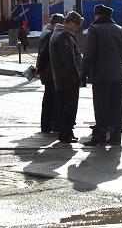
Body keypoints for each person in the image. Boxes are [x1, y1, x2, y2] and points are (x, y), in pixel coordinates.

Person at [81, 4, 122, 146]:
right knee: (117, 107)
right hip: (117, 76)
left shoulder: (94, 29)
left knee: (101, 107)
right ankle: (116, 136)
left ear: (98, 15)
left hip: (100, 77)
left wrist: (82, 75)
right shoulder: (119, 30)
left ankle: (100, 136)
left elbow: (88, 55)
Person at [49, 11, 84, 143]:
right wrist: (77, 77)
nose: (78, 28)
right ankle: (65, 134)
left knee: (65, 106)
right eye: (76, 25)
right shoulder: (64, 36)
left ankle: (67, 132)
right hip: (68, 79)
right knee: (69, 108)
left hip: (62, 77)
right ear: (69, 23)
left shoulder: (58, 33)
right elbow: (68, 60)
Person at [35, 13, 65, 133]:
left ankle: (47, 124)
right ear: (57, 23)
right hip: (50, 72)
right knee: (52, 100)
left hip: (47, 72)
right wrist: (40, 68)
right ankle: (50, 124)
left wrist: (39, 68)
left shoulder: (45, 32)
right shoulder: (50, 34)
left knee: (48, 99)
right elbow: (44, 54)